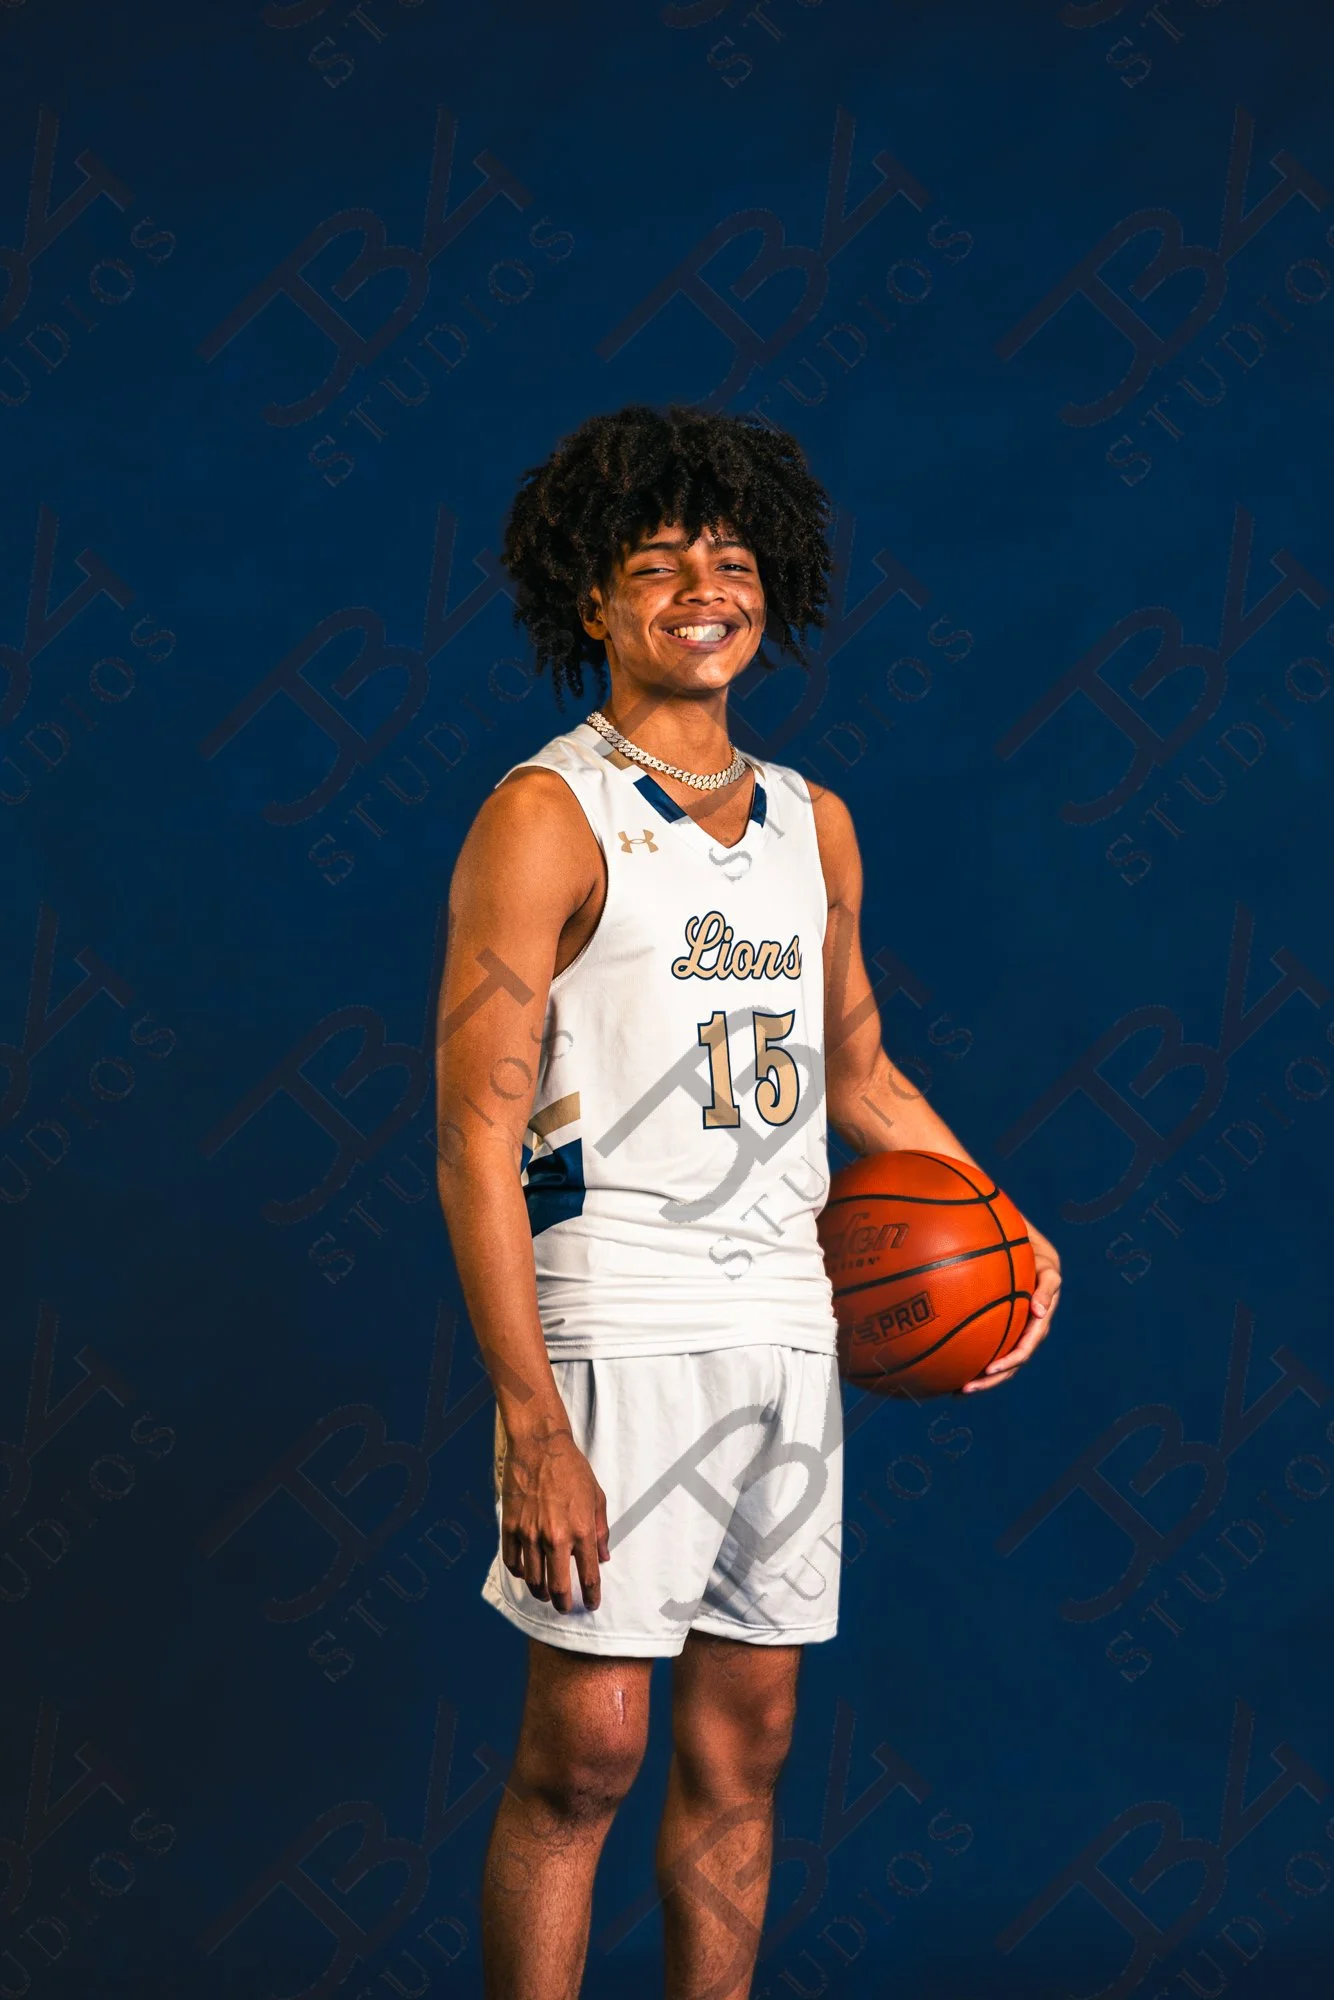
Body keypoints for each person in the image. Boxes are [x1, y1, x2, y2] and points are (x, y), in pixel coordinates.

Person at [434, 403, 1062, 2000]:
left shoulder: (809, 820)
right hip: (615, 1323)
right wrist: (532, 1422)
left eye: (728, 560)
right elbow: (473, 1137)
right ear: (591, 600)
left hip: (786, 1321)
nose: (700, 591)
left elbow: (859, 1074)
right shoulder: (546, 815)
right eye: (655, 565)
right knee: (585, 1755)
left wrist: (1002, 1219)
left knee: (747, 1750)